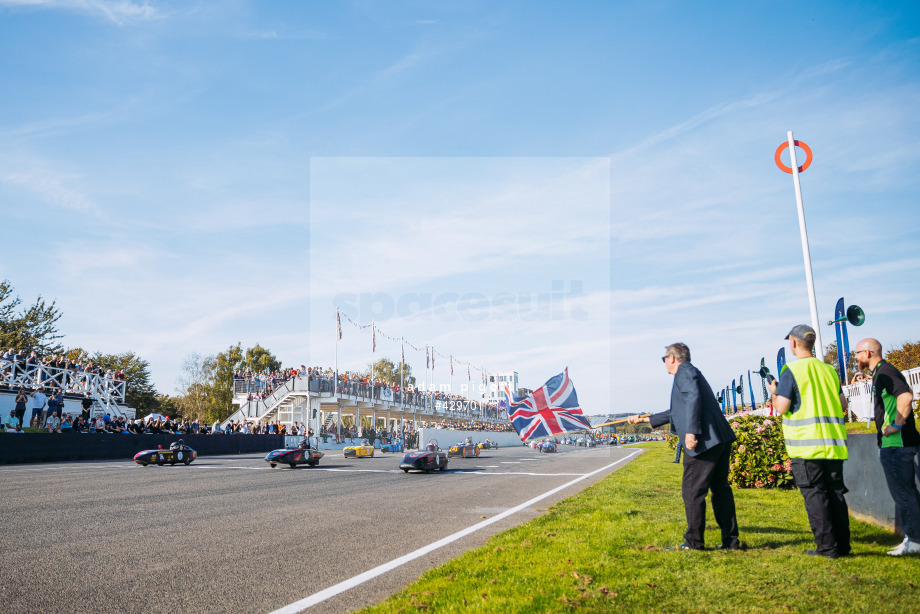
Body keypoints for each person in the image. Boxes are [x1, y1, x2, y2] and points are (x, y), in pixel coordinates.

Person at [629, 342, 740, 550]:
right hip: (719, 439)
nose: (664, 363)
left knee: (692, 491)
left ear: (672, 358)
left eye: (664, 359)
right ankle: (730, 541)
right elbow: (675, 411)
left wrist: (691, 431)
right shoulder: (690, 373)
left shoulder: (684, 371)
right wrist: (642, 419)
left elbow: (692, 398)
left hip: (704, 442)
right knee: (720, 490)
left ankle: (694, 542)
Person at [769, 324, 850, 558]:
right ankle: (842, 547)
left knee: (816, 497)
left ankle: (826, 548)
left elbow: (782, 408)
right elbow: (843, 405)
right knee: (836, 495)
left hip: (806, 448)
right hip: (833, 446)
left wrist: (775, 392)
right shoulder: (830, 370)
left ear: (793, 343)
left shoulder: (791, 371)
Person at [855, 337, 920, 556]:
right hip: (896, 445)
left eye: (857, 353)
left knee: (903, 493)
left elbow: (906, 396)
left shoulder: (885, 372)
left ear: (868, 353)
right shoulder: (880, 374)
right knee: (907, 492)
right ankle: (912, 538)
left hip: (896, 444)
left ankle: (915, 541)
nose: (855, 357)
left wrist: (896, 425)